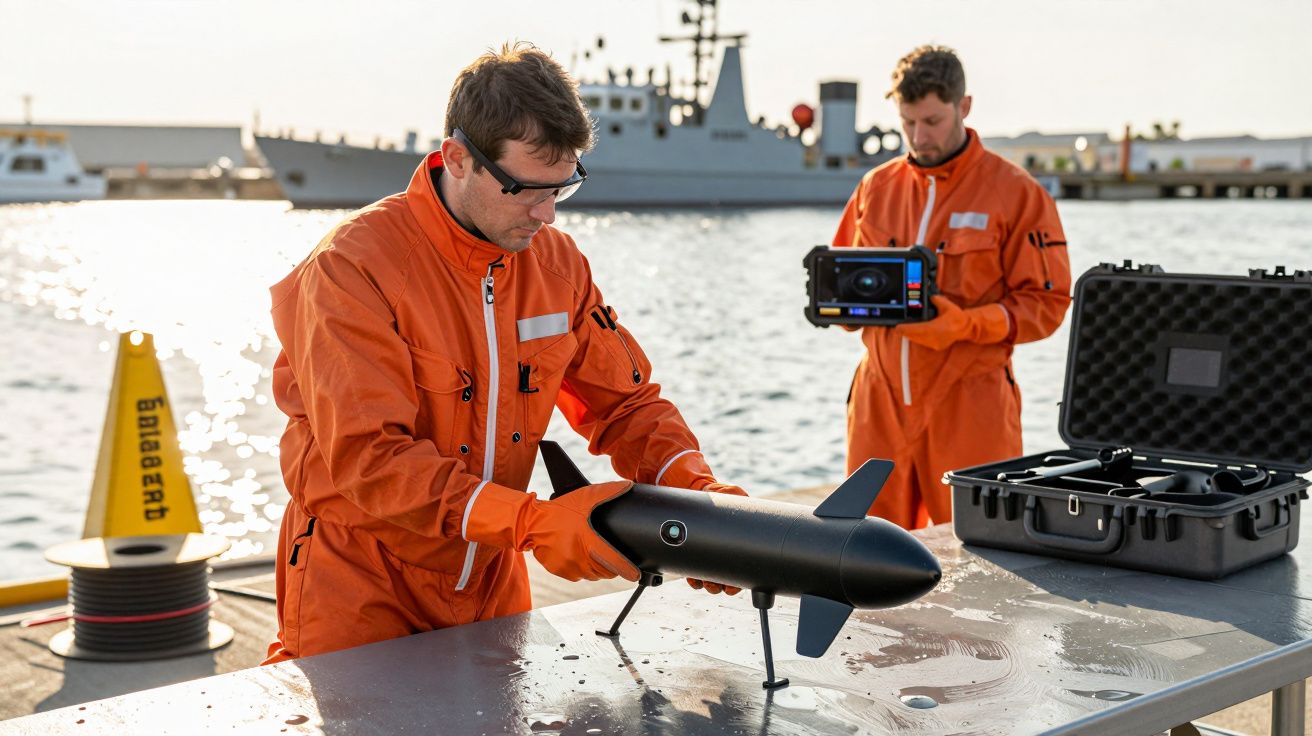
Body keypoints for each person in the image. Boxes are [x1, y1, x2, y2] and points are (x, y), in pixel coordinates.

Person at [263, 43, 744, 663]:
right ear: (458, 158)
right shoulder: (352, 267)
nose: (546, 214)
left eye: (563, 189)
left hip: (492, 574)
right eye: (526, 190)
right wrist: (535, 525)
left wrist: (700, 500)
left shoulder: (558, 264)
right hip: (360, 580)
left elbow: (625, 405)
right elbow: (370, 459)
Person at [831, 45, 1072, 530]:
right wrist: (841, 308)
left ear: (964, 107)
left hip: (971, 400)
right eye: (908, 123)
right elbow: (839, 283)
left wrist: (965, 324)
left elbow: (1047, 305)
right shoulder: (875, 187)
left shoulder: (1017, 193)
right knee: (865, 550)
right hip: (878, 401)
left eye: (933, 121)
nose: (920, 137)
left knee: (983, 553)